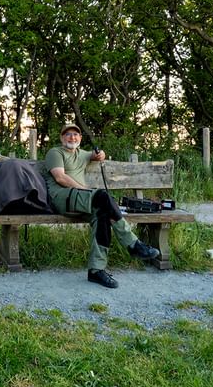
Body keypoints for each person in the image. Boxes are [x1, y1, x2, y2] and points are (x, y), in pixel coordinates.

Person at [42, 122, 160, 288]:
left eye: (75, 134)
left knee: (103, 215)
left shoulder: (82, 154)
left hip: (81, 200)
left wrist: (100, 154)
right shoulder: (55, 153)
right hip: (62, 198)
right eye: (68, 134)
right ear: (62, 138)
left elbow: (96, 155)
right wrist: (86, 190)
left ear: (80, 138)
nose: (72, 137)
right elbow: (60, 178)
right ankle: (133, 244)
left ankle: (96, 270)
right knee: (103, 197)